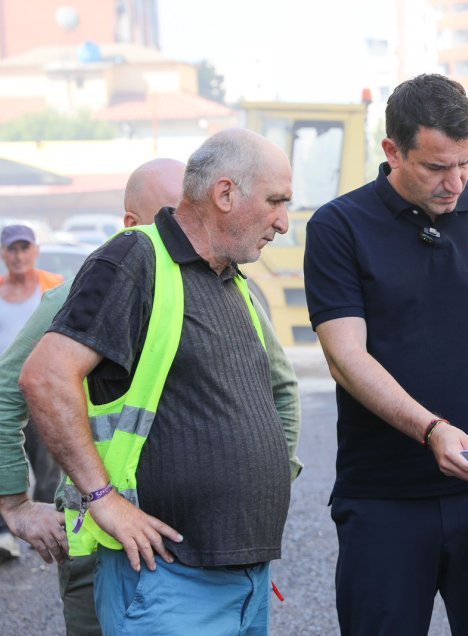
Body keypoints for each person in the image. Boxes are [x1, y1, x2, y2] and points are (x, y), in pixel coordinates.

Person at [19, 129, 296, 635]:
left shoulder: (231, 279)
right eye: (276, 201)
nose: (282, 221)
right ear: (225, 194)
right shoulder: (136, 257)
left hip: (244, 581)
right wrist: (103, 500)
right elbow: (44, 375)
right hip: (165, 581)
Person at [304, 73, 468, 635]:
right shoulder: (339, 227)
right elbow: (346, 357)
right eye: (437, 167)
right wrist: (430, 428)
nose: (455, 182)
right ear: (392, 151)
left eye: (465, 163)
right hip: (385, 495)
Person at [0, 224, 65, 560]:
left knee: (48, 469)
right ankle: (5, 536)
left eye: (25, 248)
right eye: (12, 249)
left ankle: (51, 534)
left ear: (35, 251)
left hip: (44, 394)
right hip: (5, 393)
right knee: (6, 459)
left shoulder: (53, 288)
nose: (19, 255)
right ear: (3, 253)